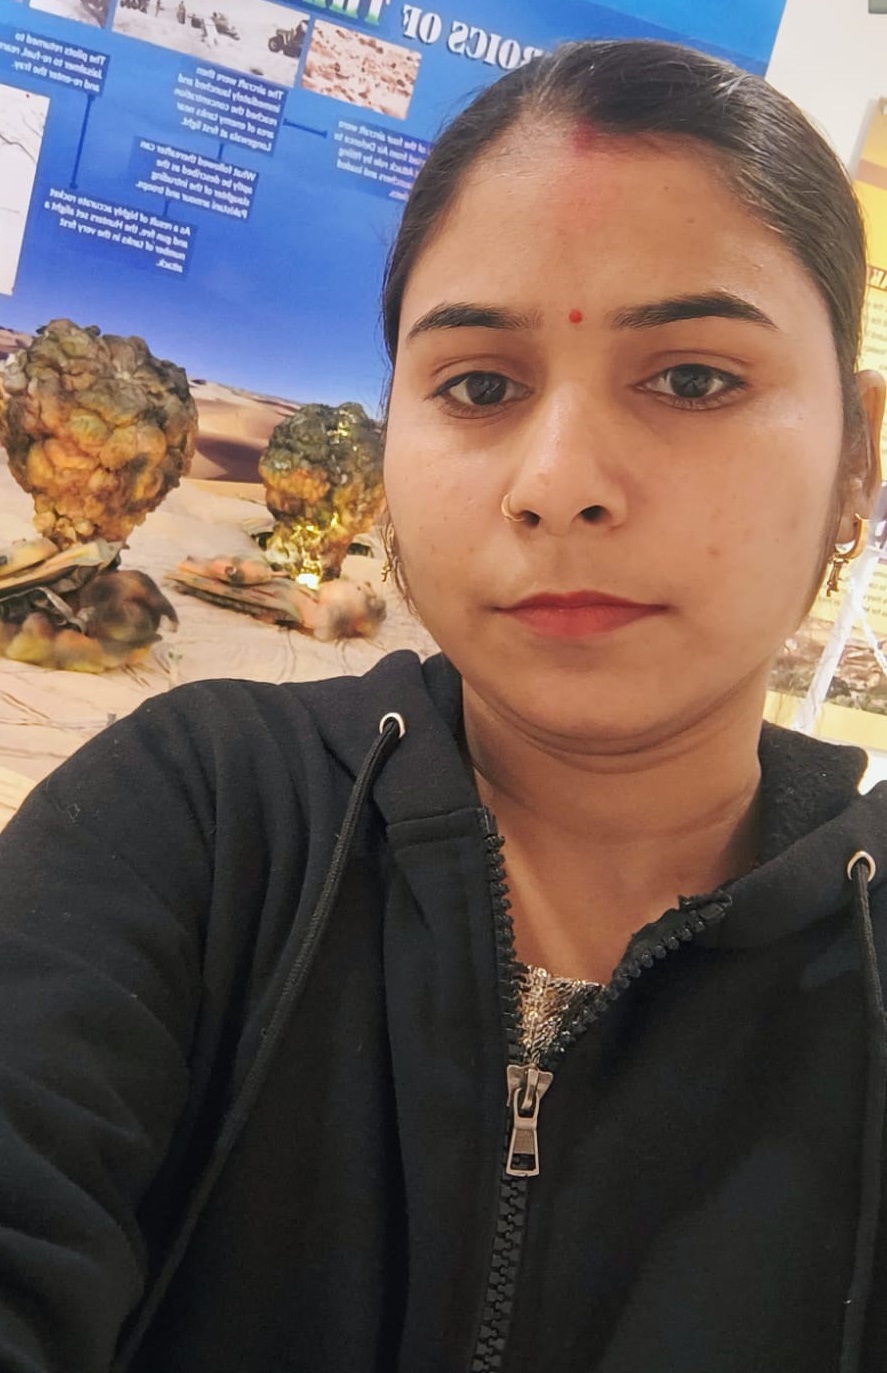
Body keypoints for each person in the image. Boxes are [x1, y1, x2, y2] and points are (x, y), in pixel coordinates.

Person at [0, 37, 886, 1373]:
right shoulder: (197, 821)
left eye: (694, 378)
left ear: (857, 455)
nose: (559, 483)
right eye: (479, 386)